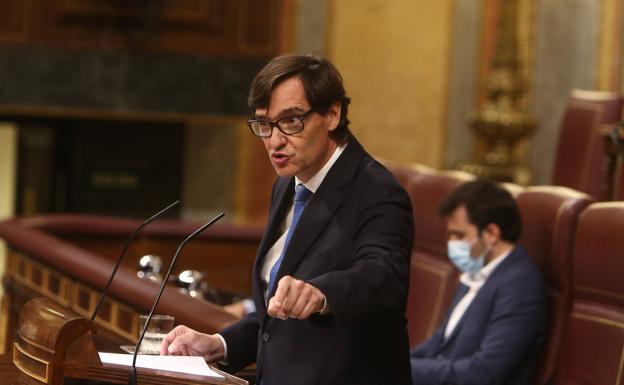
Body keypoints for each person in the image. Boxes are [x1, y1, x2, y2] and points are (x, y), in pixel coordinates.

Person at [161, 54, 414, 385]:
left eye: (291, 121)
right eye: (264, 124)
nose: (275, 141)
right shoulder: (287, 184)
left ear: (333, 114)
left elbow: (384, 276)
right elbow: (277, 322)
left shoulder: (376, 190)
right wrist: (220, 345)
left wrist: (321, 292)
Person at [410, 180, 547, 385]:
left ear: (491, 233)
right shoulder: (476, 269)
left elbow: (484, 373)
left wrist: (403, 370)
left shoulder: (520, 285)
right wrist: (389, 364)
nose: (452, 243)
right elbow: (438, 345)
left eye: (460, 235)